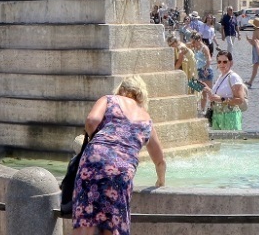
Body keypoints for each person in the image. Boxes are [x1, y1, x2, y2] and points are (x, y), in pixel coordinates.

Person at [72, 76, 166, 235]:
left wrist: (94, 140)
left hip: (94, 160)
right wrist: (160, 181)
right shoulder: (147, 120)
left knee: (85, 222)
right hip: (122, 170)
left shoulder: (109, 99)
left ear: (121, 89)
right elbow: (160, 161)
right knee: (113, 224)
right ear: (141, 95)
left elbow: (91, 121)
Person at [203, 50, 247, 131]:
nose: (221, 64)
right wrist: (209, 91)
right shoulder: (220, 77)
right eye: (219, 62)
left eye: (225, 62)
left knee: (230, 143)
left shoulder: (234, 77)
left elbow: (240, 100)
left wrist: (221, 99)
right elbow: (218, 95)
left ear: (231, 63)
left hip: (230, 116)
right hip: (217, 116)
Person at [188, 32, 213, 113]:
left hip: (205, 71)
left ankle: (203, 110)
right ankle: (196, 109)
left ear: (199, 40)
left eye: (194, 42)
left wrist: (205, 69)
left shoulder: (204, 48)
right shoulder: (195, 47)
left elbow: (209, 59)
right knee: (196, 90)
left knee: (205, 92)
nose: (193, 43)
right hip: (197, 71)